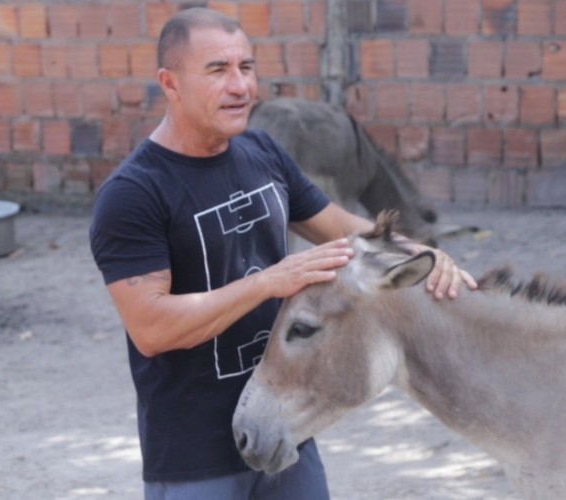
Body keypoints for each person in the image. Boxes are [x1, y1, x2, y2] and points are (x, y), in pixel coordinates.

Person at [89, 7, 476, 499]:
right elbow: (151, 327)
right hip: (194, 458)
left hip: (286, 426)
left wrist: (420, 253)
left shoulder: (262, 153)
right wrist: (269, 282)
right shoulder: (134, 193)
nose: (241, 87)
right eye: (217, 70)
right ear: (170, 83)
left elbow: (345, 231)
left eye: (246, 68)